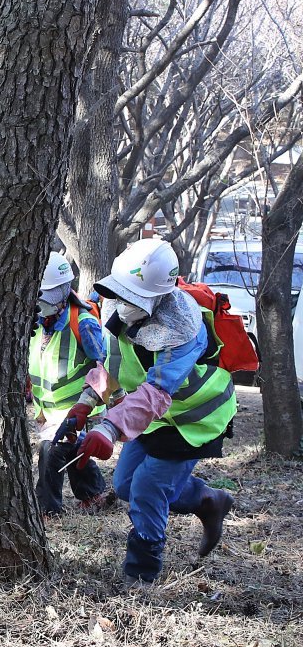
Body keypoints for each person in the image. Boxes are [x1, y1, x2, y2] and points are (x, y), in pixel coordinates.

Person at [77, 238, 237, 588]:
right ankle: (209, 501)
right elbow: (113, 367)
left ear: (156, 296)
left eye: (130, 295)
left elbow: (156, 391)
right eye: (119, 292)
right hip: (150, 417)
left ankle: (142, 571)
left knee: (149, 486)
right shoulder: (118, 312)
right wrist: (86, 403)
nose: (121, 302)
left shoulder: (183, 328)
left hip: (192, 421)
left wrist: (110, 428)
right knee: (124, 485)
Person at [29, 251, 112, 515]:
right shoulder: (37, 323)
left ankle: (47, 508)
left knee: (51, 450)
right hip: (49, 410)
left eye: (48, 294)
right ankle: (94, 494)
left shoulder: (84, 324)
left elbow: (103, 368)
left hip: (79, 409)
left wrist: (88, 405)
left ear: (64, 290)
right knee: (74, 448)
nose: (43, 301)